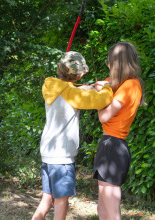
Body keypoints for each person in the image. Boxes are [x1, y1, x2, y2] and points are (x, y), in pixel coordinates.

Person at [32, 51, 113, 220]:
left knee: (48, 198)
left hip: (48, 153)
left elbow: (70, 90)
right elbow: (100, 100)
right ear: (79, 75)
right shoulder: (74, 95)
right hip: (61, 158)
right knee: (62, 202)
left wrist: (88, 87)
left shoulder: (51, 86)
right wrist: (106, 87)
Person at [93, 42, 146, 220]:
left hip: (113, 148)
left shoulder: (130, 85)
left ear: (115, 63)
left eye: (110, 62)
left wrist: (99, 99)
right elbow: (93, 87)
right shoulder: (119, 83)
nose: (108, 65)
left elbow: (104, 116)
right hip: (110, 146)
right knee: (102, 208)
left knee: (111, 211)